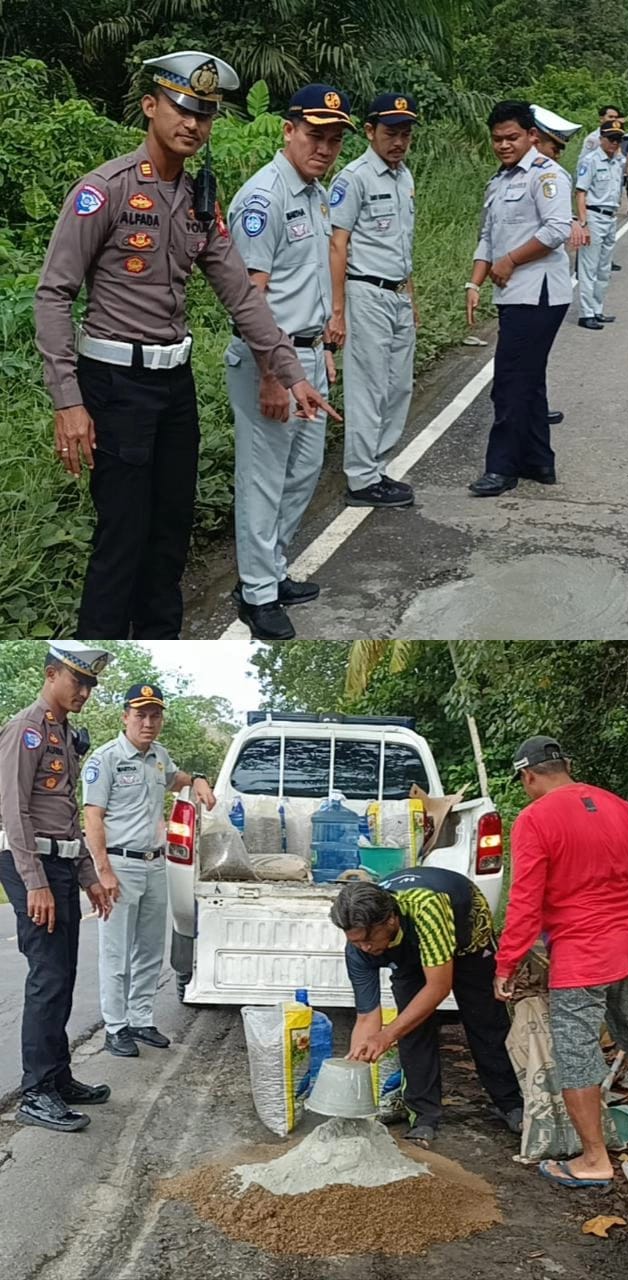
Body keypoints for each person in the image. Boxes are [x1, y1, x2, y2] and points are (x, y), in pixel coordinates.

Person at [34, 51, 335, 642]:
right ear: (151, 107)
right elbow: (53, 295)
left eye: (206, 114)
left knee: (171, 534)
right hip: (114, 386)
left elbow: (242, 297)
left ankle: (159, 642)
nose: (193, 124)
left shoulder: (200, 201)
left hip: (174, 387)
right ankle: (101, 646)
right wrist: (67, 401)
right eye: (182, 108)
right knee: (122, 536)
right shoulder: (105, 191)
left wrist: (288, 368)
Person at [494, 736, 628, 1189]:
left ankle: (594, 1159)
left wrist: (507, 963)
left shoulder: (534, 819)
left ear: (528, 775)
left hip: (583, 953)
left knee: (576, 1053)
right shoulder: (616, 806)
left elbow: (525, 901)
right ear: (567, 765)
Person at [225, 84, 353, 642]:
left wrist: (322, 346)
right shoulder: (263, 198)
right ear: (287, 131)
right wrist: (274, 375)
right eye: (314, 135)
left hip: (307, 357)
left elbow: (311, 276)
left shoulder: (314, 192)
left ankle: (272, 571)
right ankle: (255, 593)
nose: (323, 148)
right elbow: (251, 297)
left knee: (302, 471)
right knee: (264, 479)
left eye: (332, 139)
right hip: (270, 361)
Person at [0, 642, 113, 1133]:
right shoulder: (26, 730)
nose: (84, 692)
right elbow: (13, 811)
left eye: (89, 685)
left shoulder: (62, 733)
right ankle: (36, 1091)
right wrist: (35, 884)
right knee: (47, 977)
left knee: (63, 974)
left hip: (62, 864)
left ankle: (58, 1075)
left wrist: (89, 877)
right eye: (77, 681)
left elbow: (67, 813)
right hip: (33, 866)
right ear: (50, 675)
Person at [333, 868, 523, 1144]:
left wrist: (386, 1036)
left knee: (484, 1019)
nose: (363, 947)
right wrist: (355, 1066)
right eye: (355, 941)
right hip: (407, 945)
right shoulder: (359, 950)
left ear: (390, 920)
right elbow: (366, 1018)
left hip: (465, 937)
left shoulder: (427, 907)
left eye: (367, 939)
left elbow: (438, 987)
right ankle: (423, 1116)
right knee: (411, 1027)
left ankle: (511, 1103)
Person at [82, 682, 216, 1056]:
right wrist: (103, 870)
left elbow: (177, 780)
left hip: (155, 864)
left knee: (149, 950)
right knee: (116, 952)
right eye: (140, 714)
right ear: (125, 716)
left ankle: (141, 1020)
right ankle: (115, 1026)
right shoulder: (105, 759)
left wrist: (200, 778)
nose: (148, 722)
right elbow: (93, 818)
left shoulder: (159, 756)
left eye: (155, 715)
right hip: (119, 865)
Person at [466, 100, 572, 497]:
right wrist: (475, 284)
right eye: (497, 139)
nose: (504, 145)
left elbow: (557, 229)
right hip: (513, 294)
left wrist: (511, 260)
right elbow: (488, 238)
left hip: (539, 294)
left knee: (509, 382)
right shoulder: (500, 181)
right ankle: (538, 461)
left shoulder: (546, 176)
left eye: (512, 137)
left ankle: (502, 468)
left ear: (532, 136)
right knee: (529, 379)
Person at [328, 93, 419, 508]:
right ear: (369, 132)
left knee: (398, 386)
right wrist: (338, 309)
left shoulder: (405, 178)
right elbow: (337, 244)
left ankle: (377, 467)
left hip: (397, 293)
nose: (398, 142)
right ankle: (361, 479)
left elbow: (403, 245)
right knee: (368, 387)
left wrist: (411, 295)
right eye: (390, 133)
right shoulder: (354, 178)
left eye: (405, 134)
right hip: (365, 292)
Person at [531, 104, 587, 429]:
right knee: (528, 356)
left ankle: (535, 405)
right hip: (529, 280)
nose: (558, 155)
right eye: (555, 147)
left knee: (536, 355)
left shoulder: (546, 175)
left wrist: (569, 220)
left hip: (546, 280)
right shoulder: (536, 175)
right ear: (536, 140)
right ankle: (528, 407)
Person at [575, 121, 625, 330]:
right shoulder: (591, 161)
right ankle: (586, 314)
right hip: (594, 217)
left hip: (611, 217)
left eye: (618, 139)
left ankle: (597, 309)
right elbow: (580, 192)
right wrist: (583, 223)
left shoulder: (617, 162)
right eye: (611, 139)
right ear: (601, 138)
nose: (614, 143)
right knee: (589, 267)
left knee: (604, 269)